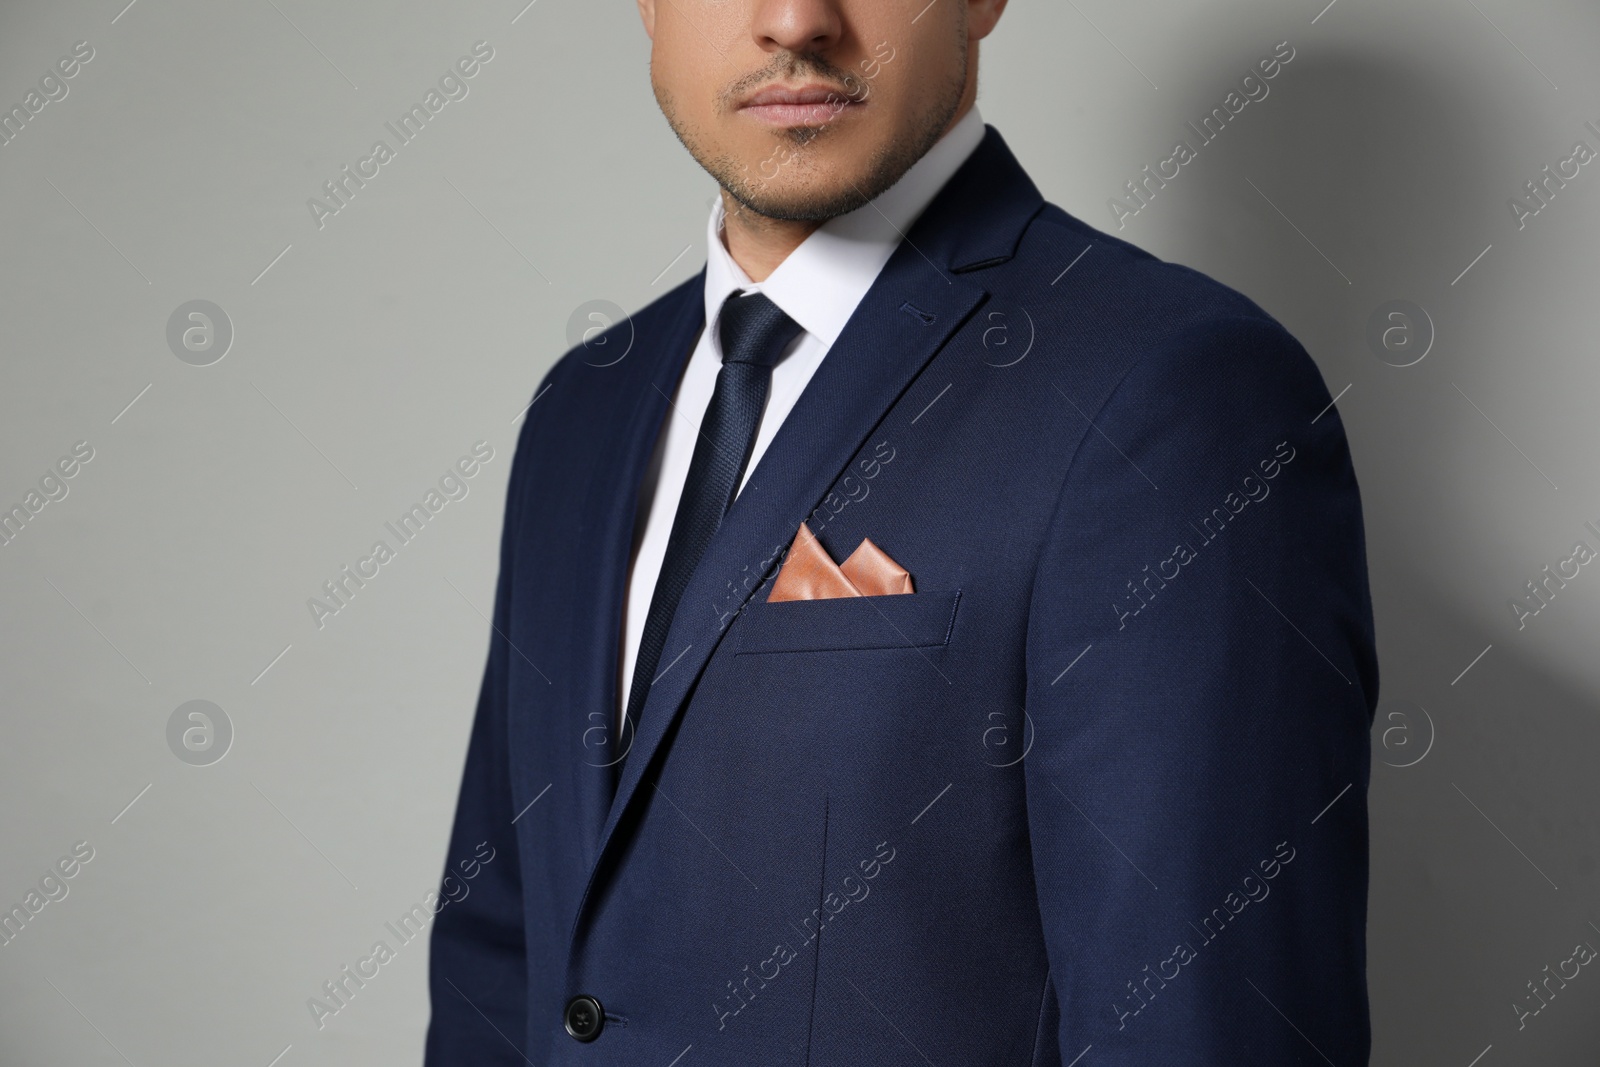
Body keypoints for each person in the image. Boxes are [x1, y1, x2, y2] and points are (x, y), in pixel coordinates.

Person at [425, 0, 1379, 1063]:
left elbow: (1202, 1029)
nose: (794, 18)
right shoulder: (581, 408)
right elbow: (500, 941)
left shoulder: (1178, 393)